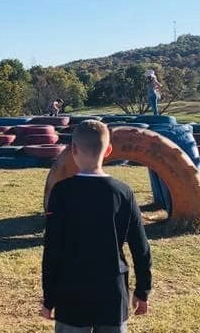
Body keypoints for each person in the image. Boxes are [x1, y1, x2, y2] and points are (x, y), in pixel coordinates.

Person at [41, 120, 152, 332]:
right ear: (108, 150)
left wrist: (49, 298)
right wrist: (142, 290)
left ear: (73, 149)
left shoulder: (61, 192)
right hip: (112, 293)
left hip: (71, 293)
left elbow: (52, 249)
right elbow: (141, 246)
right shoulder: (123, 192)